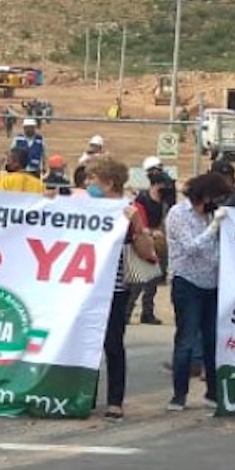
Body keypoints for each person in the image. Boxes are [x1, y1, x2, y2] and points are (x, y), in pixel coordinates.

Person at [85, 156, 152, 420]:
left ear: (109, 183)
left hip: (114, 289)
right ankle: (85, 395)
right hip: (84, 287)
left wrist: (137, 225)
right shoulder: (84, 206)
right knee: (85, 343)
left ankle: (115, 400)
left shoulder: (130, 209)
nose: (88, 183)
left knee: (113, 344)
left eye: (92, 178)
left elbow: (147, 252)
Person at [166, 172, 231, 411]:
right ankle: (179, 395)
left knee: (212, 340)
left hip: (212, 283)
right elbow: (191, 247)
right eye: (217, 197)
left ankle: (212, 392)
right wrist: (214, 227)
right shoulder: (178, 214)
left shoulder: (212, 214)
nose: (219, 202)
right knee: (186, 339)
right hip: (188, 282)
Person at [130, 167, 174, 325]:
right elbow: (138, 223)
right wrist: (150, 232)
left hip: (158, 244)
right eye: (164, 185)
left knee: (153, 280)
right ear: (156, 185)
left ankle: (147, 312)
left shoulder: (163, 202)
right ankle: (127, 311)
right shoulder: (142, 200)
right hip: (143, 242)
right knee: (138, 279)